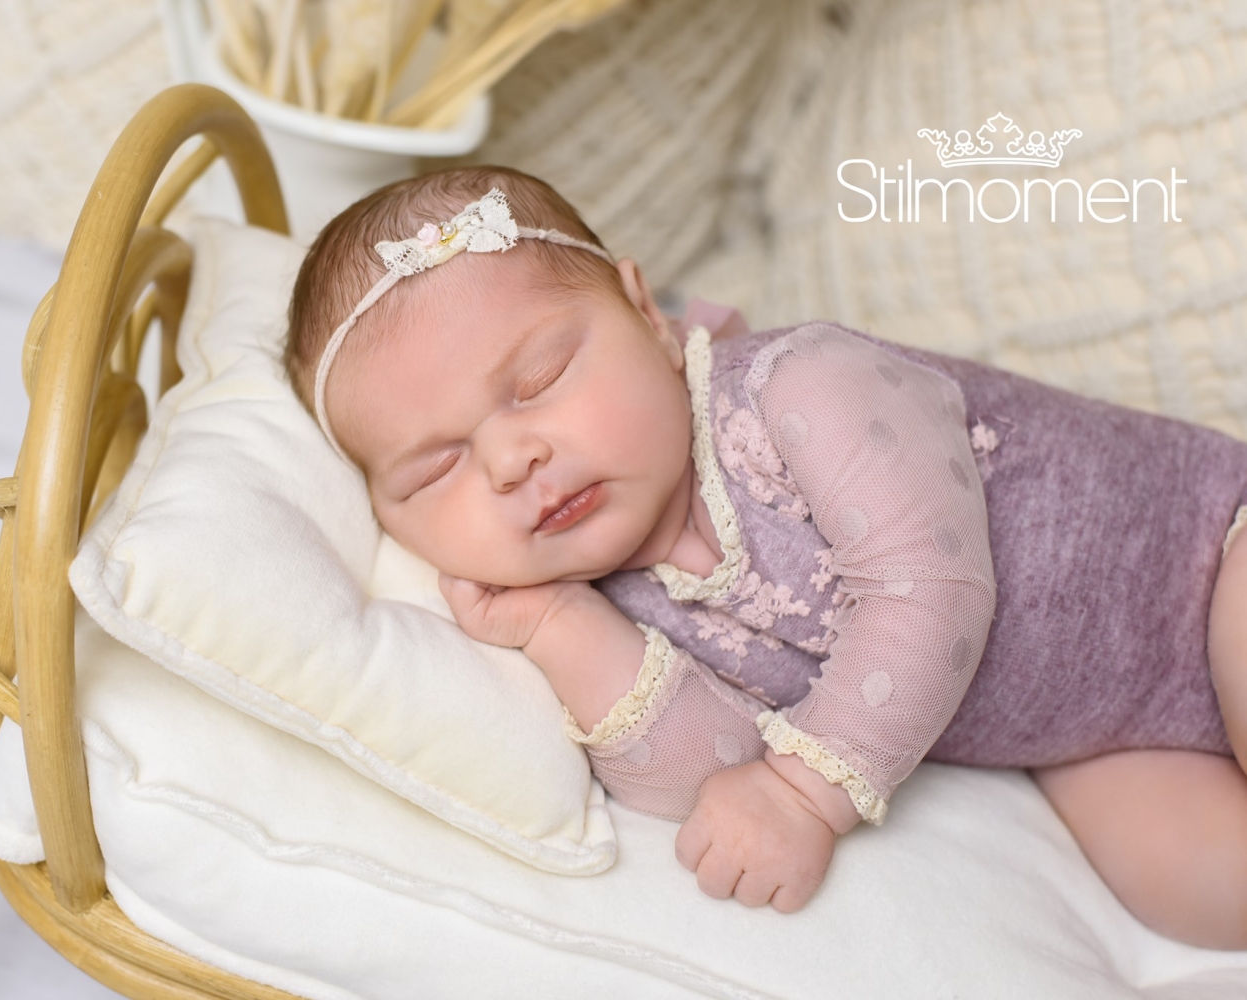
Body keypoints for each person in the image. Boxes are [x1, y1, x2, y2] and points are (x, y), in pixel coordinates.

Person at [281, 165, 1247, 949]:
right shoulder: (618, 597)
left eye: (539, 380)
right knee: (1204, 893)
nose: (510, 460)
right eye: (437, 468)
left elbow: (931, 586)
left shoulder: (797, 387)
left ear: (646, 315)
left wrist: (802, 793)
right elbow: (714, 770)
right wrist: (562, 628)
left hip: (1217, 549)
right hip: (1106, 730)